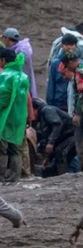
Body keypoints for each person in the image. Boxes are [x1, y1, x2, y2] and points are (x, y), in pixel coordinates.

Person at [0, 49, 31, 185]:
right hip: (19, 117)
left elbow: (2, 99)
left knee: (2, 148)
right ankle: (15, 176)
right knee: (15, 148)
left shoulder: (5, 75)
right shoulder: (23, 76)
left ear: (3, 60)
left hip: (5, 118)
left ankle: (1, 177)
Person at [31, 98, 75, 177]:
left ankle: (63, 177)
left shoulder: (47, 110)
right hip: (62, 138)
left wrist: (50, 143)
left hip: (71, 136)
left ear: (34, 109)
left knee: (60, 152)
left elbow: (57, 125)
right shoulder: (40, 120)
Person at [46, 33, 79, 111]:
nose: (69, 47)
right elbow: (51, 84)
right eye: (66, 44)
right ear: (62, 46)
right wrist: (50, 104)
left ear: (76, 46)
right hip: (59, 104)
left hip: (75, 105)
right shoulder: (55, 64)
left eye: (72, 44)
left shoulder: (80, 64)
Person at [2, 28, 36, 98]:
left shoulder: (18, 51)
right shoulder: (23, 48)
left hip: (19, 83)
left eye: (3, 38)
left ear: (7, 39)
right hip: (25, 80)